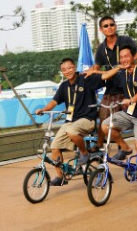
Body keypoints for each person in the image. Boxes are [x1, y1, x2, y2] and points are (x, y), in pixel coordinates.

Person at [36, 58, 121, 186]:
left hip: (87, 119)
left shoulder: (85, 78)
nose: (67, 71)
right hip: (71, 121)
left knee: (71, 130)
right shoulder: (64, 86)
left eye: (69, 68)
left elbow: (106, 76)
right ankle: (60, 176)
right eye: (64, 70)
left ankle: (84, 153)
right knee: (54, 146)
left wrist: (119, 67)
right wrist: (43, 109)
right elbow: (54, 102)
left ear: (74, 67)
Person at [85, 16, 137, 153]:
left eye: (111, 24)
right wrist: (89, 72)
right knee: (103, 115)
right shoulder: (101, 48)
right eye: (106, 26)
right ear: (101, 29)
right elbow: (96, 68)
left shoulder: (125, 41)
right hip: (112, 86)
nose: (109, 27)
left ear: (115, 26)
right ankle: (100, 144)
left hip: (129, 84)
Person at [101, 45, 137, 190]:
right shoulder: (122, 74)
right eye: (121, 57)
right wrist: (93, 72)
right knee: (105, 126)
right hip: (128, 114)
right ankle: (125, 148)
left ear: (133, 57)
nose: (124, 60)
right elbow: (104, 75)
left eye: (126, 56)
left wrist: (132, 100)